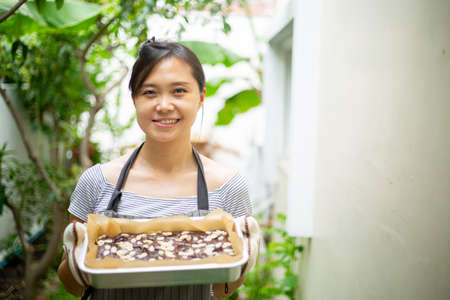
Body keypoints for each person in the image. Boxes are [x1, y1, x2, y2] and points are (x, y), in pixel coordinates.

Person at [57, 39, 254, 300]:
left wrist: (242, 261)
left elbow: (221, 291)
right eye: (149, 92)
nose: (163, 105)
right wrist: (76, 256)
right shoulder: (98, 181)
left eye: (179, 91)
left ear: (201, 97)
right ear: (134, 99)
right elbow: (72, 286)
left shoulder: (228, 187)